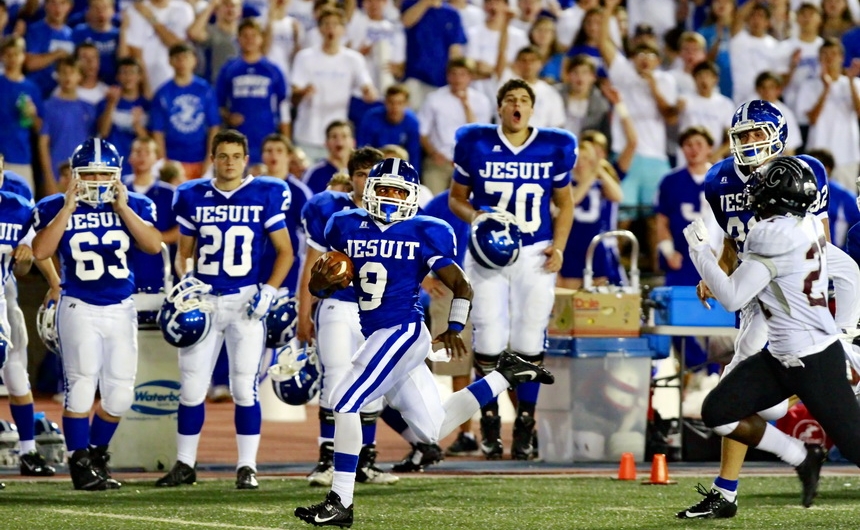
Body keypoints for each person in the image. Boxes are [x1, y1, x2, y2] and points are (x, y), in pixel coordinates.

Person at [294, 157, 555, 526]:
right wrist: (322, 283)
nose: (388, 197)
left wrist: (453, 324)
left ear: (411, 196)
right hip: (378, 332)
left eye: (396, 191)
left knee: (344, 402)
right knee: (431, 429)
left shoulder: (423, 230)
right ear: (369, 190)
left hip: (401, 331)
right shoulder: (344, 225)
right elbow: (320, 285)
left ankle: (341, 500)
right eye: (382, 188)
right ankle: (506, 374)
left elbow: (462, 284)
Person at [676, 100, 836, 518]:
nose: (747, 142)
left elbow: (819, 241)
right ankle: (763, 469)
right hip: (752, 299)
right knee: (763, 404)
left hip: (790, 297)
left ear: (778, 135)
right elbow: (731, 240)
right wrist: (718, 270)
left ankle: (775, 467)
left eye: (756, 134)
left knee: (733, 399)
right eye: (741, 135)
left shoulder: (803, 172)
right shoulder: (718, 180)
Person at [156, 129, 294, 490]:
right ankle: (185, 464)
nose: (229, 162)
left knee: (244, 388)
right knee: (191, 388)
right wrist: (185, 280)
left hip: (245, 301)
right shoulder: (191, 195)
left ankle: (247, 467)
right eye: (223, 156)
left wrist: (269, 290)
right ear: (213, 158)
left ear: (245, 158)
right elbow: (183, 254)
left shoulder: (267, 192)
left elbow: (286, 251)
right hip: (203, 300)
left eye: (236, 155)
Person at [449, 78, 576, 460]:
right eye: (510, 100)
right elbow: (457, 199)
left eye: (523, 100)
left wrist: (561, 247)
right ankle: (489, 420)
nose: (516, 105)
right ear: (500, 107)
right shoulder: (475, 142)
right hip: (486, 253)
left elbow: (564, 204)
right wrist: (476, 218)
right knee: (488, 338)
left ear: (532, 109)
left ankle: (525, 423)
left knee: (529, 339)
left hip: (534, 250)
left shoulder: (555, 145)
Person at [31, 138, 162, 490]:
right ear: (75, 176)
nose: (98, 181)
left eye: (105, 173)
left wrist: (123, 210)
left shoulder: (134, 203)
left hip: (121, 307)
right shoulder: (55, 206)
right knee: (82, 386)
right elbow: (40, 250)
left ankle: (95, 454)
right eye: (90, 174)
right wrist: (68, 210)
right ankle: (78, 463)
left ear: (118, 176)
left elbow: (152, 244)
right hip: (79, 306)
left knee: (120, 394)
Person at [297, 147, 400, 486]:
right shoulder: (331, 212)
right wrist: (304, 309)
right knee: (336, 379)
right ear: (352, 177)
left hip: (380, 310)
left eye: (374, 173)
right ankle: (328, 459)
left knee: (375, 383)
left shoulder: (399, 212)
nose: (368, 180)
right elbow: (311, 262)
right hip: (339, 306)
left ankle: (365, 461)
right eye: (361, 173)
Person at [0, 161, 62, 478]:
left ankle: (28, 452)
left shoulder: (18, 206)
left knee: (16, 373)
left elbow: (28, 261)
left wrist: (54, 282)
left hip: (3, 296)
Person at [216, 18, 289, 165]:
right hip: (237, 140)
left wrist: (286, 141)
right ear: (238, 39)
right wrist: (228, 117)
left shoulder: (272, 70)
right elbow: (217, 104)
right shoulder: (229, 69)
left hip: (266, 140)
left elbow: (284, 107)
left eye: (254, 35)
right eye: (245, 36)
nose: (249, 40)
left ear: (261, 39)